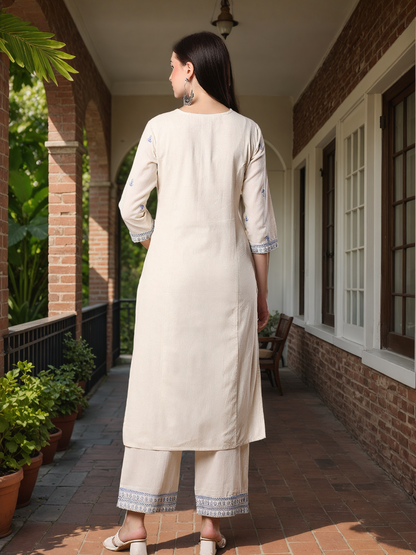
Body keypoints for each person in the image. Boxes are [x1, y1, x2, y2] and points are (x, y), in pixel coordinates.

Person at [104, 31, 278, 555]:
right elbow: (260, 228)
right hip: (229, 282)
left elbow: (130, 207)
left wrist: (158, 241)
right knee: (223, 399)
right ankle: (210, 530)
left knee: (156, 395)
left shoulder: (160, 128)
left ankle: (135, 526)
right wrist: (261, 295)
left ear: (190, 71)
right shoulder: (248, 131)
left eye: (172, 66)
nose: (169, 74)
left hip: (169, 282)